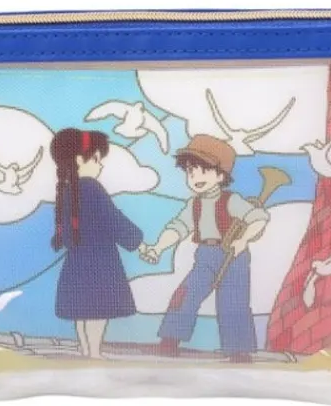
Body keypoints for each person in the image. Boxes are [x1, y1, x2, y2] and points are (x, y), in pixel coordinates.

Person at [141, 135, 269, 362]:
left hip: (233, 256)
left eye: (204, 171)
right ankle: (170, 339)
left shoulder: (231, 200)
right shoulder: (194, 204)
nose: (195, 178)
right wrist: (158, 248)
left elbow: (259, 218)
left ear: (221, 175)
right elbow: (179, 227)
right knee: (185, 294)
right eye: (191, 172)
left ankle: (238, 350)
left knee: (233, 302)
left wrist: (243, 240)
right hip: (205, 255)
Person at [51, 128, 147, 359]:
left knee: (82, 311)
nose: (100, 165)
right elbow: (113, 220)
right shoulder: (92, 187)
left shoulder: (66, 190)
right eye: (96, 159)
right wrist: (139, 243)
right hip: (100, 261)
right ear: (78, 160)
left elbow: (65, 229)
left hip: (76, 260)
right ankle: (94, 353)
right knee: (97, 310)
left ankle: (86, 350)